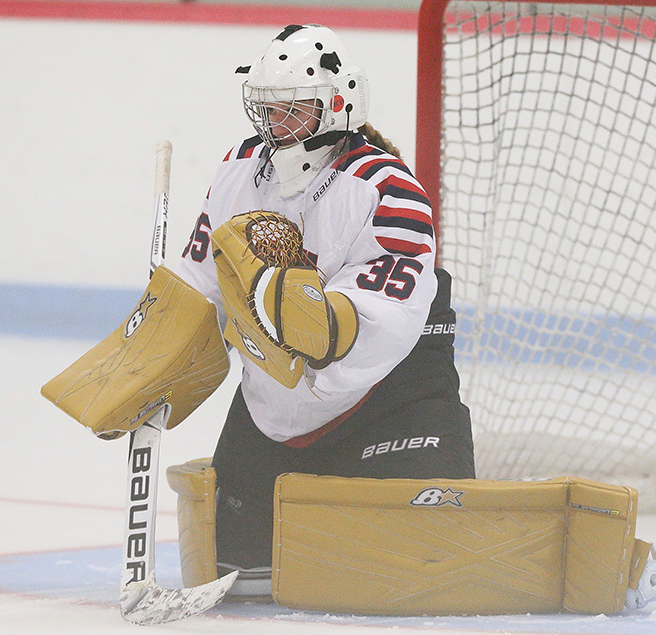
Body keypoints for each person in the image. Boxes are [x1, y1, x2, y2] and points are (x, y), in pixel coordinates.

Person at [173, 24, 475, 593]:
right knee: (237, 575)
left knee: (425, 574)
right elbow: (198, 283)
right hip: (272, 412)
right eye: (266, 109)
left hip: (389, 403)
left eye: (293, 109)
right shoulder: (240, 167)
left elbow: (382, 317)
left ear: (339, 104)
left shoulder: (385, 188)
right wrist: (153, 350)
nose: (274, 125)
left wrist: (311, 319)